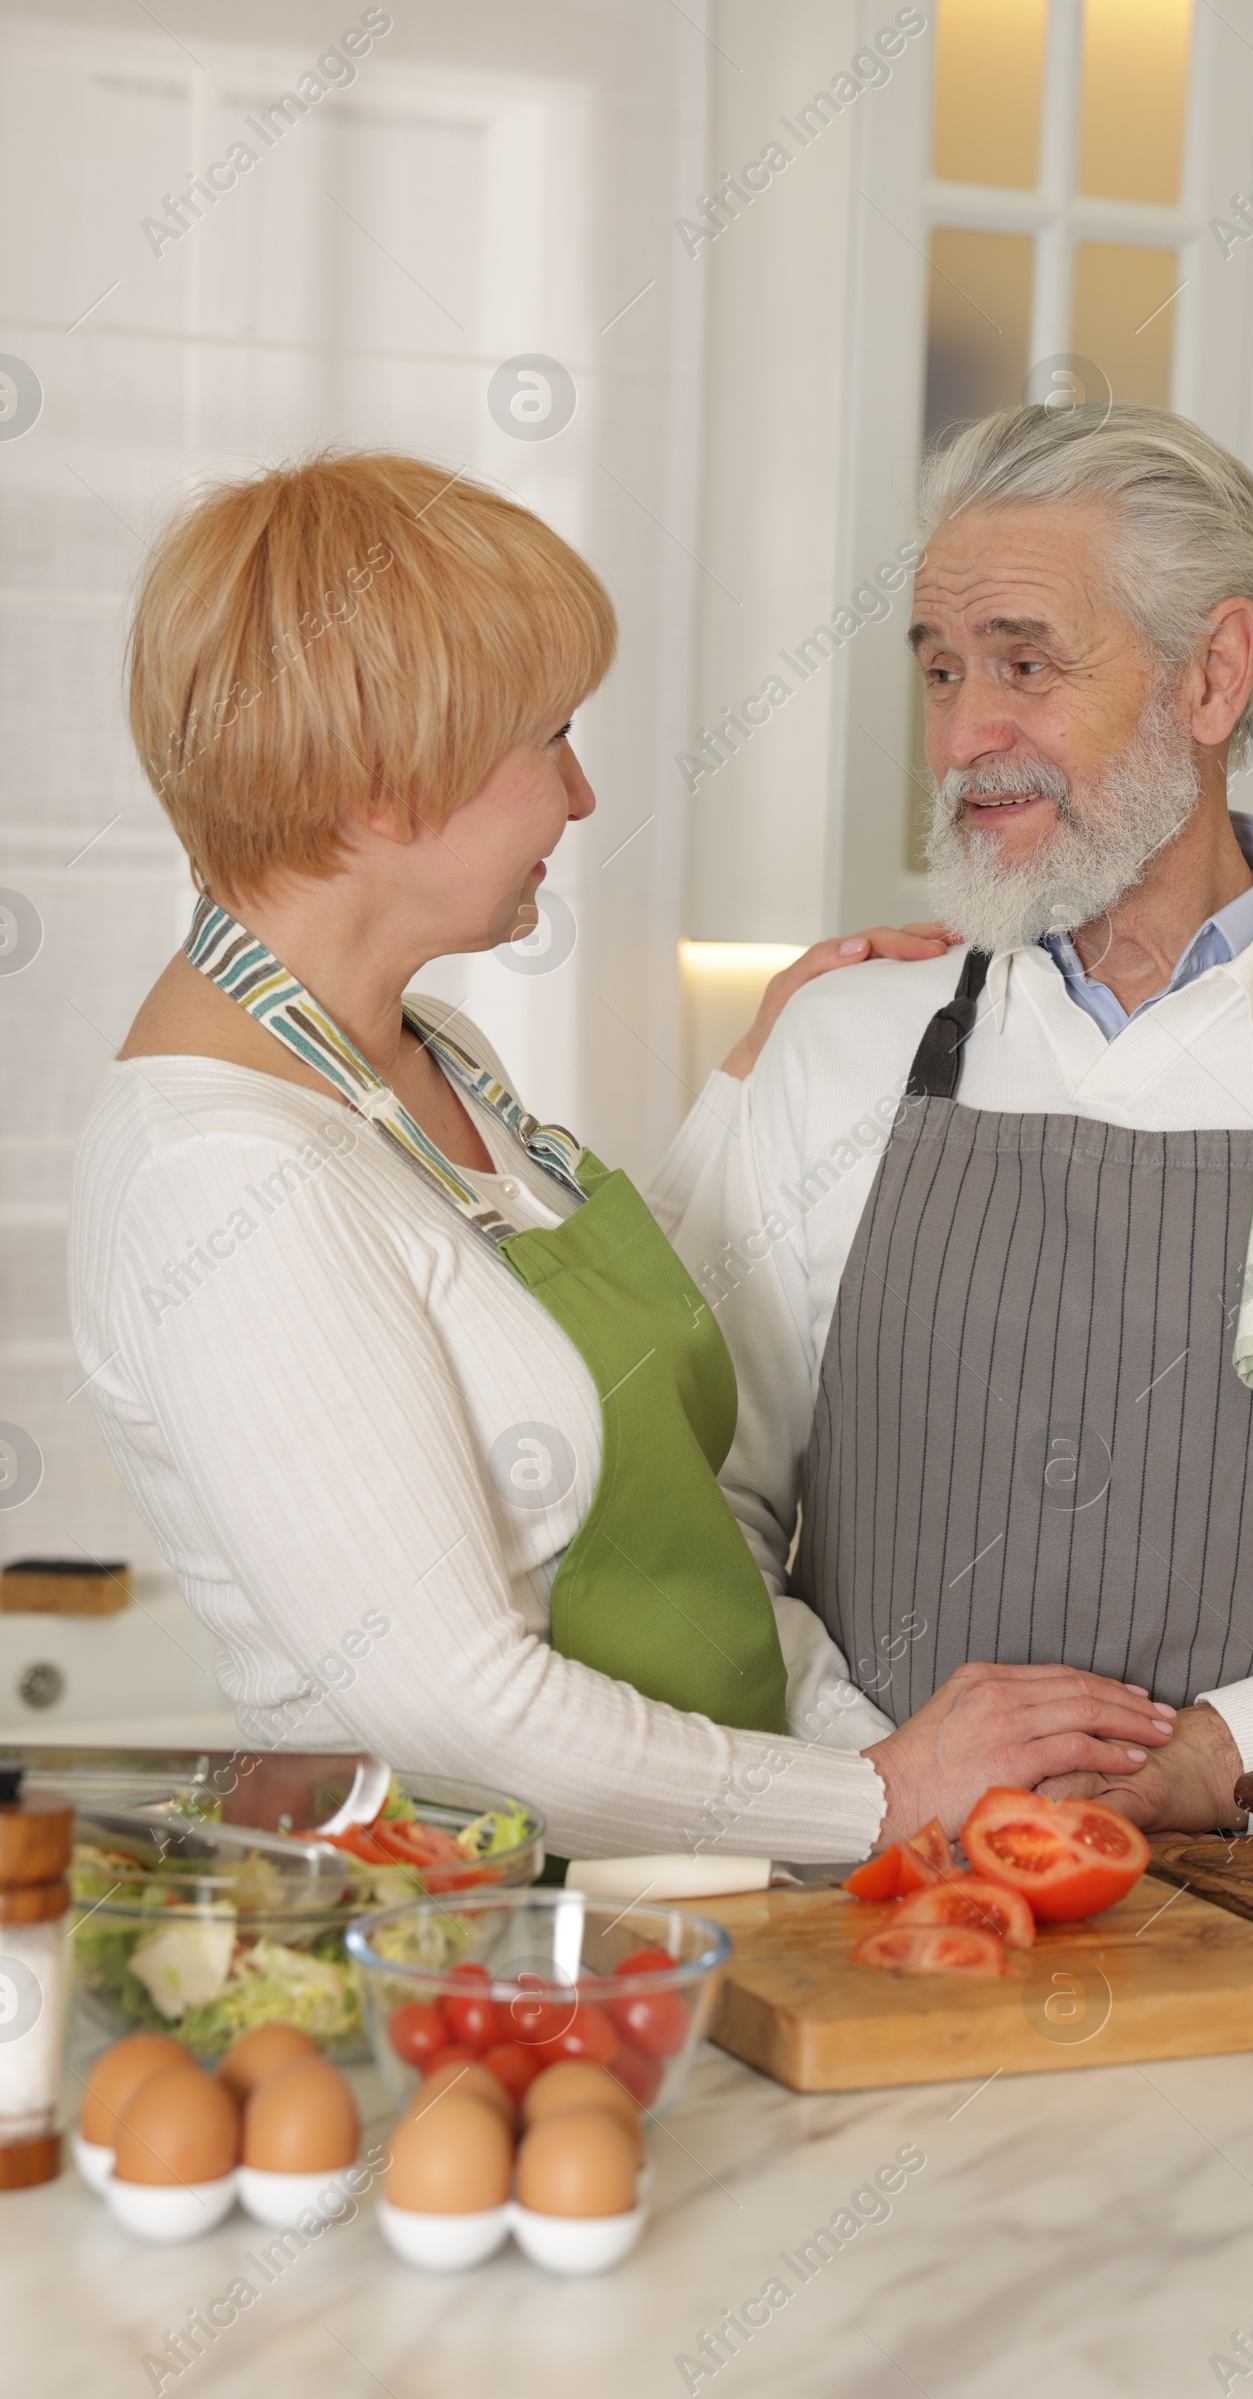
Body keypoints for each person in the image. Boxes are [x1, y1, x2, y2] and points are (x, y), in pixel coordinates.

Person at [67, 449, 1177, 1866]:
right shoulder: (217, 1176)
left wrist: (756, 1069)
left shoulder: (417, 1049)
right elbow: (451, 1715)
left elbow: (541, 1364)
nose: (581, 797)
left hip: (684, 1888)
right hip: (487, 1947)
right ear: (381, 787)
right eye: (549, 737)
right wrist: (882, 1796)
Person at [662, 400, 1253, 1834]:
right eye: (939, 669)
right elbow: (691, 1521)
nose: (966, 735)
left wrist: (1230, 1753)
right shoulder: (845, 1048)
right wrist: (881, 1772)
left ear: (1211, 676)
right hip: (887, 1916)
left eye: (1025, 664)